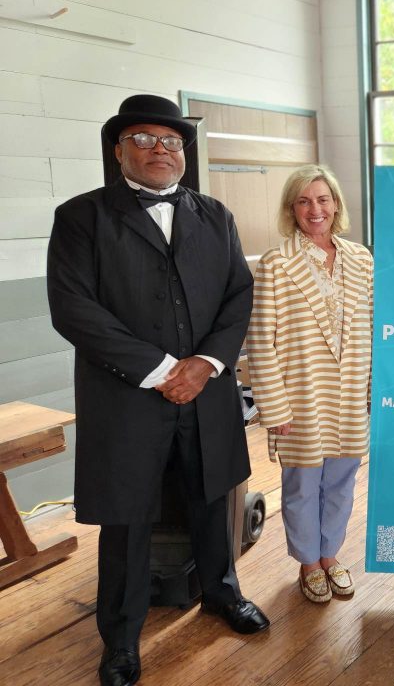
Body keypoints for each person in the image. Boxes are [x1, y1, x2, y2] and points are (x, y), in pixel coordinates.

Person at [47, 94, 269, 686]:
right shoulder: (80, 217)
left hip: (208, 391)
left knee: (211, 495)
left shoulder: (216, 215)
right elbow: (73, 310)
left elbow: (237, 296)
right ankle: (120, 636)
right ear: (119, 150)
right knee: (127, 517)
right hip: (125, 398)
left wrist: (207, 363)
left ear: (183, 153)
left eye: (169, 141)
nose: (158, 149)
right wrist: (160, 369)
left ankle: (222, 592)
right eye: (142, 139)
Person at [246, 165, 373, 603]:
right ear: (292, 210)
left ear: (335, 203)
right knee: (302, 485)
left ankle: (331, 556)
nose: (314, 209)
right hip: (301, 396)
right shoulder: (276, 264)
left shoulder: (361, 258)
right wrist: (274, 408)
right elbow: (260, 340)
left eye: (322, 199)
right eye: (304, 201)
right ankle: (307, 562)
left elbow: (372, 328)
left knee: (341, 481)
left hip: (352, 395)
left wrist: (375, 392)